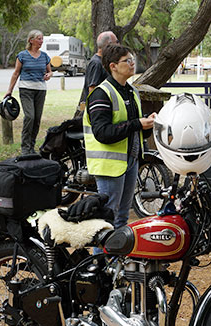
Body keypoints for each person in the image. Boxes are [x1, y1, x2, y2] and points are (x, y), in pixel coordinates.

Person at [83, 44, 156, 228]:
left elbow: (134, 127)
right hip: (109, 166)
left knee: (122, 217)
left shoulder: (132, 92)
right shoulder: (101, 93)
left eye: (133, 60)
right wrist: (138, 123)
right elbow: (103, 133)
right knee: (107, 220)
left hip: (130, 161)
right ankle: (101, 258)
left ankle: (117, 257)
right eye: (127, 61)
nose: (132, 64)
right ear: (113, 66)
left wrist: (147, 123)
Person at [5, 29, 52, 154]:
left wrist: (49, 75)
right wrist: (9, 90)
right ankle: (25, 148)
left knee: (37, 119)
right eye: (38, 39)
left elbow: (49, 71)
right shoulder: (22, 55)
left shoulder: (45, 56)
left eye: (42, 39)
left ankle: (31, 146)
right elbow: (16, 73)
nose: (41, 41)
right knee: (30, 117)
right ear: (31, 40)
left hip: (40, 90)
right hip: (26, 89)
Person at [76, 31, 118, 115]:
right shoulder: (96, 63)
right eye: (116, 42)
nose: (118, 45)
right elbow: (92, 89)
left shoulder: (103, 61)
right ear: (108, 44)